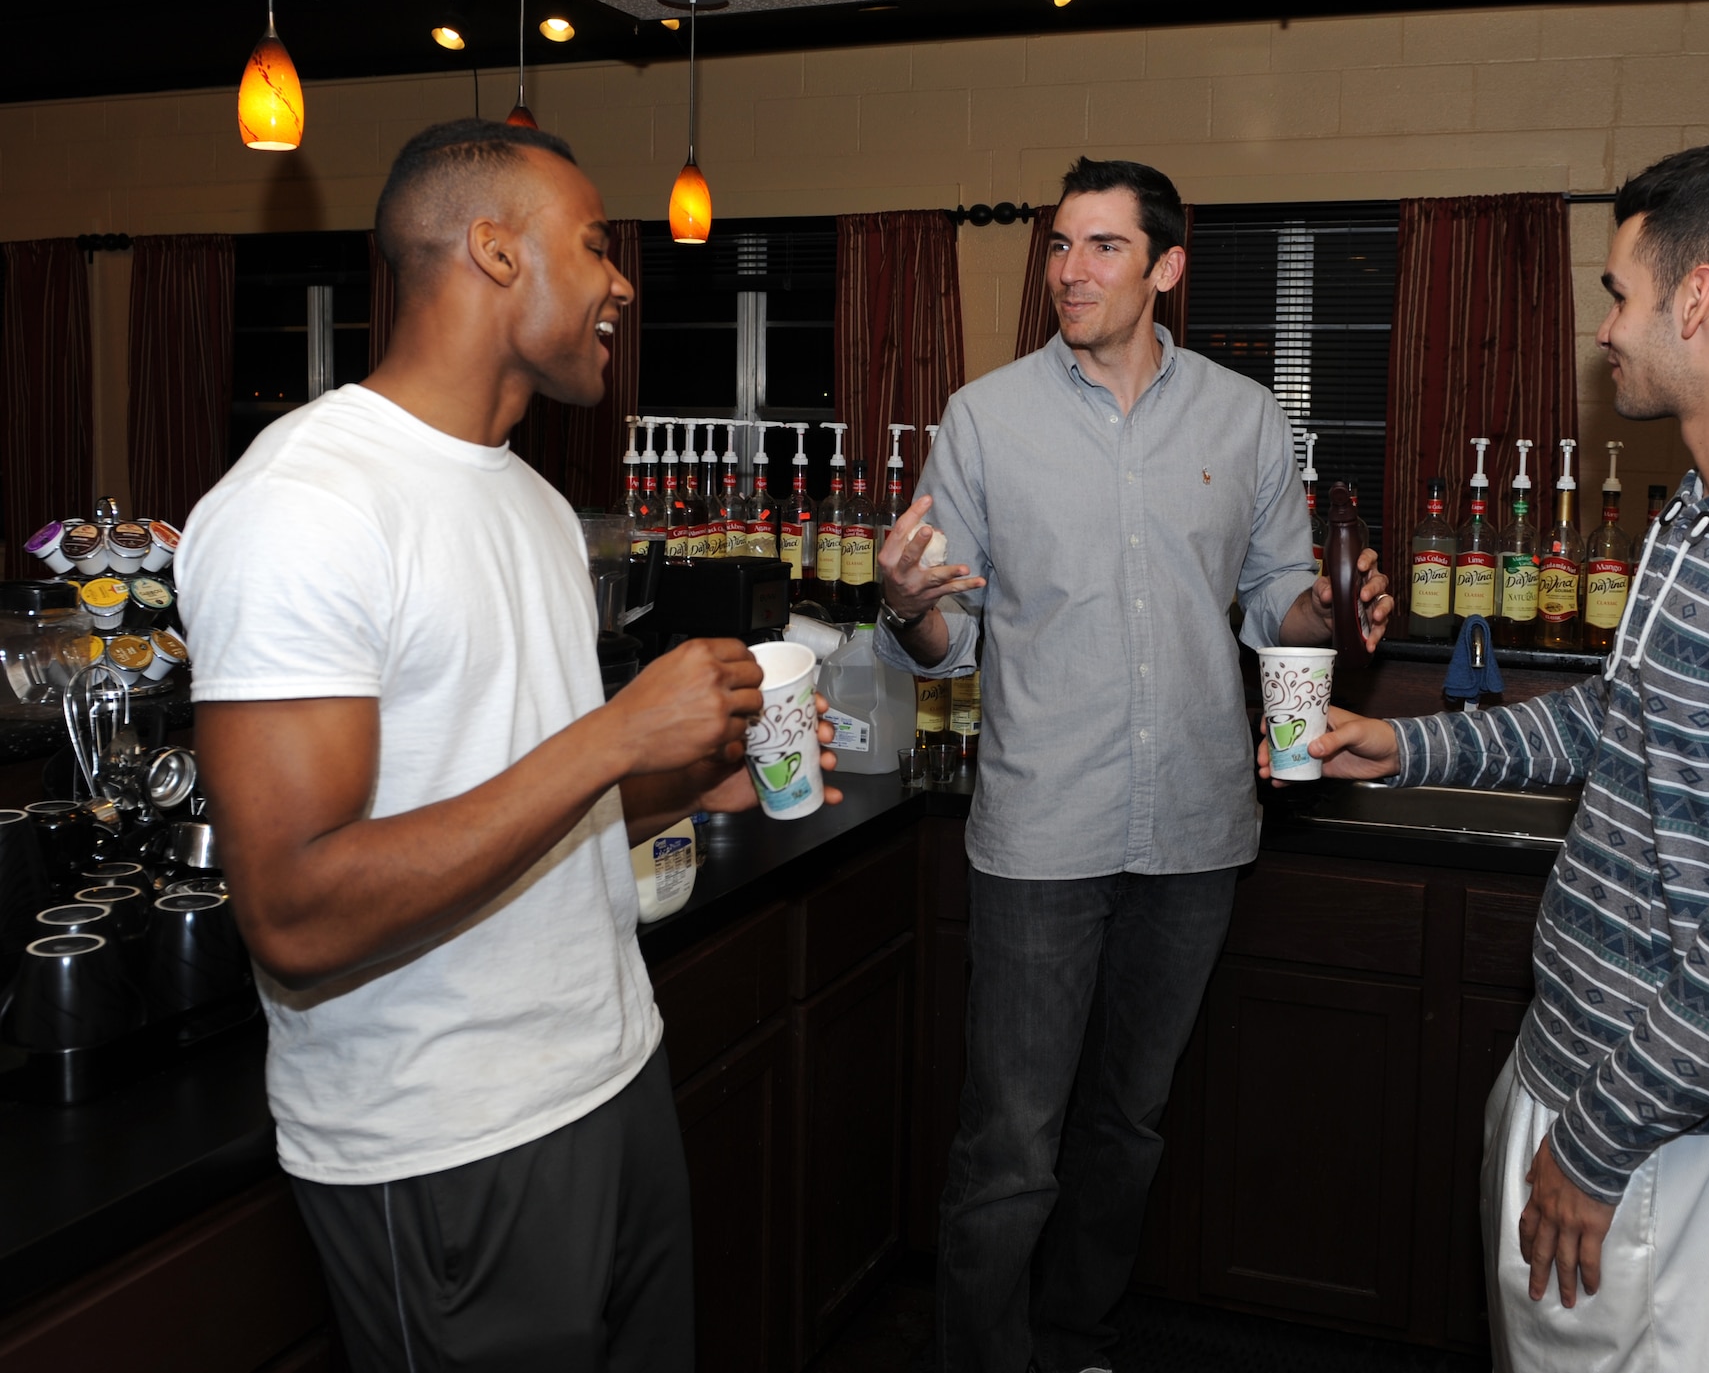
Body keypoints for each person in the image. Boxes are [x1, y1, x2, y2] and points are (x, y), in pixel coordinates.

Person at [178, 119, 838, 1372]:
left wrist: (696, 777)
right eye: (594, 245)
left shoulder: (527, 499)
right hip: (444, 1136)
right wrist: (609, 740)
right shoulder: (302, 505)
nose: (622, 282)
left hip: (609, 1072)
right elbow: (297, 911)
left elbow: (514, 797)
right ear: (491, 251)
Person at [1272, 138, 1709, 1372]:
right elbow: (1610, 721)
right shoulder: (1707, 516)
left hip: (1656, 1138)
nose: (1605, 331)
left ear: (1700, 300)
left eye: (1620, 293)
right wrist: (1404, 746)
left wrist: (1597, 1140)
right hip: (1576, 1070)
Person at [874, 155, 1393, 1373]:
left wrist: (1328, 611)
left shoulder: (1245, 416)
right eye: (1057, 245)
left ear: (1163, 267)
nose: (1068, 270)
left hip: (1197, 827)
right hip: (1040, 830)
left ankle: (1079, 1337)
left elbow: (1275, 606)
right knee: (1009, 1141)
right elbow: (946, 635)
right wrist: (903, 607)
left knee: (1129, 1124)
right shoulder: (984, 418)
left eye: (1102, 246)